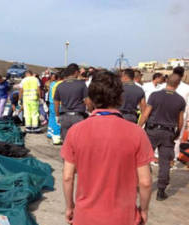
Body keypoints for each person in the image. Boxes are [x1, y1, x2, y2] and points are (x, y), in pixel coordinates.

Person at [61, 70, 153, 225]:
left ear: (90, 99)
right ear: (120, 98)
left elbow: (67, 177)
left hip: (85, 217)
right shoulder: (137, 133)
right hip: (123, 217)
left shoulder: (75, 131)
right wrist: (143, 210)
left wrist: (70, 207)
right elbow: (145, 182)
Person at [139, 74, 185, 201]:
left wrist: (139, 128)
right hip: (168, 132)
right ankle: (161, 191)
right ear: (178, 84)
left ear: (166, 81)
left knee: (143, 158)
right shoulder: (180, 100)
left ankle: (138, 184)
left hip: (152, 131)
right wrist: (178, 133)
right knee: (165, 162)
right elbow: (180, 121)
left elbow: (146, 114)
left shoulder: (155, 95)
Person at [55, 63, 92, 140]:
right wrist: (90, 111)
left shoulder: (60, 86)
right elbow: (87, 101)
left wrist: (57, 116)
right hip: (78, 117)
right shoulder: (82, 85)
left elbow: (56, 103)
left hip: (64, 117)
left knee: (66, 142)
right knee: (79, 142)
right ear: (76, 72)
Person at [47, 72, 63, 145]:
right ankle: (56, 136)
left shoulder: (52, 84)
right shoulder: (59, 84)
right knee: (57, 120)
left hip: (51, 103)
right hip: (57, 104)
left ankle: (50, 133)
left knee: (52, 118)